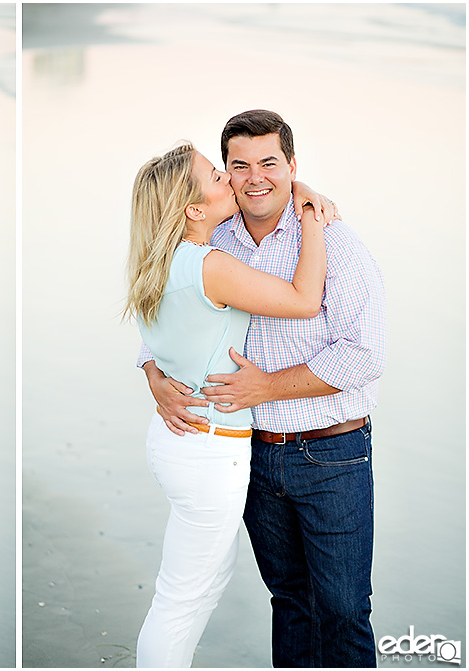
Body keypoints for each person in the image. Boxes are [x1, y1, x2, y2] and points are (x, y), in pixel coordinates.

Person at [142, 110, 386, 667]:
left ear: (292, 167)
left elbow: (366, 353)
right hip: (248, 453)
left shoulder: (330, 239)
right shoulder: (212, 236)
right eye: (238, 165)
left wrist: (267, 388)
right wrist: (155, 378)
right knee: (290, 602)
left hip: (330, 453)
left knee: (345, 608)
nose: (254, 177)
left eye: (270, 163)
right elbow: (167, 313)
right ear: (224, 174)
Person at [126, 142, 331, 668]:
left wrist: (152, 374)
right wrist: (310, 215)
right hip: (208, 450)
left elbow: (162, 346)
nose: (231, 181)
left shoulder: (158, 259)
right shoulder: (210, 265)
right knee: (184, 600)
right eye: (217, 177)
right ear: (194, 209)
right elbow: (305, 300)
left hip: (179, 440)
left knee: (194, 586)